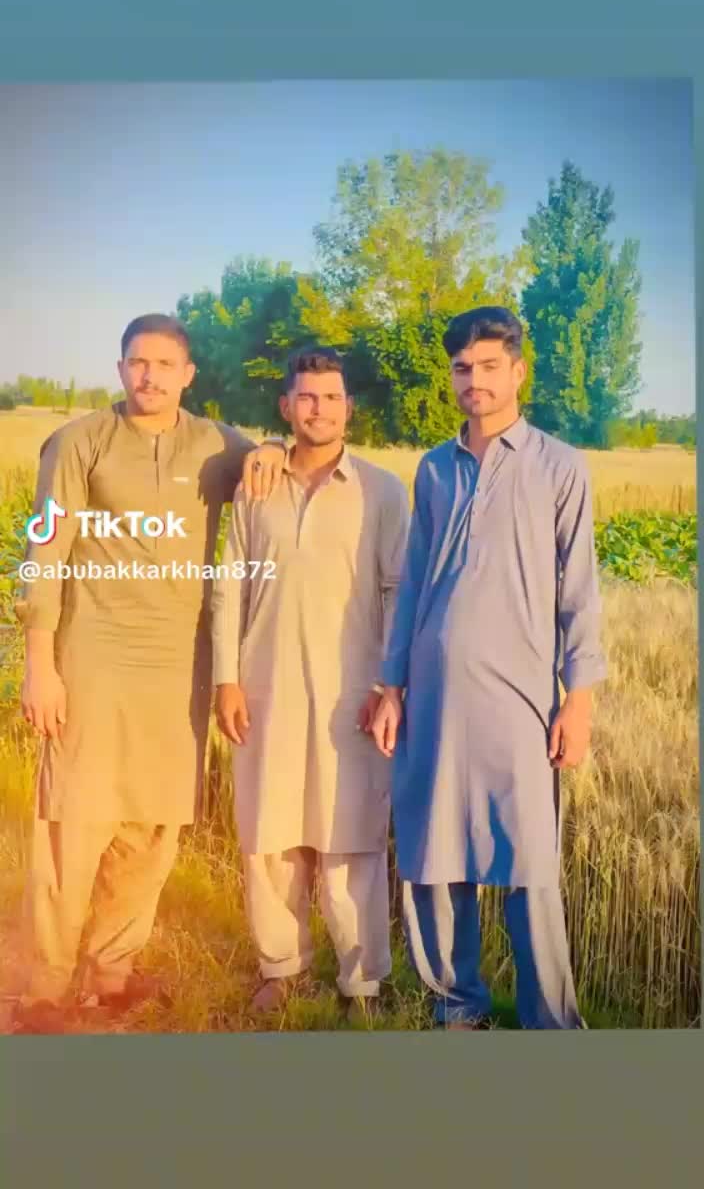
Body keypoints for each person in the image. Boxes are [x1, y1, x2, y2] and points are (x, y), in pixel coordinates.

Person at [13, 314, 285, 1034]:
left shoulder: (216, 446)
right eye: (138, 362)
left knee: (153, 825)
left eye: (165, 364)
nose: (150, 376)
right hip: (91, 657)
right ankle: (42, 992)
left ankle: (110, 977)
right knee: (72, 822)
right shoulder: (79, 442)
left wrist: (273, 448)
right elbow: (43, 549)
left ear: (188, 374)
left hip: (177, 665)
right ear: (120, 368)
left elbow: (270, 459)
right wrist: (40, 665)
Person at [372, 306, 607, 1030]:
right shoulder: (434, 468)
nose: (474, 379)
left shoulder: (559, 466)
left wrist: (579, 701)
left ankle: (551, 1023)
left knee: (529, 861)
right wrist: (392, 685)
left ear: (518, 372)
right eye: (462, 368)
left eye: (489, 366)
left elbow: (579, 590)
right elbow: (415, 579)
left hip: (521, 701)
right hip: (435, 695)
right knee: (435, 853)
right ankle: (457, 1007)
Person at [211, 347, 410, 1021]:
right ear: (285, 406)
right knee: (269, 836)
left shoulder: (383, 491)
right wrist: (226, 679)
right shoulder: (256, 484)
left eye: (330, 398)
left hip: (351, 694)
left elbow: (398, 591)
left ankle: (363, 984)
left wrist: (389, 684)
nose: (317, 409)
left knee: (349, 839)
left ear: (348, 408)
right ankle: (281, 968)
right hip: (264, 687)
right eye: (305, 397)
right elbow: (229, 587)